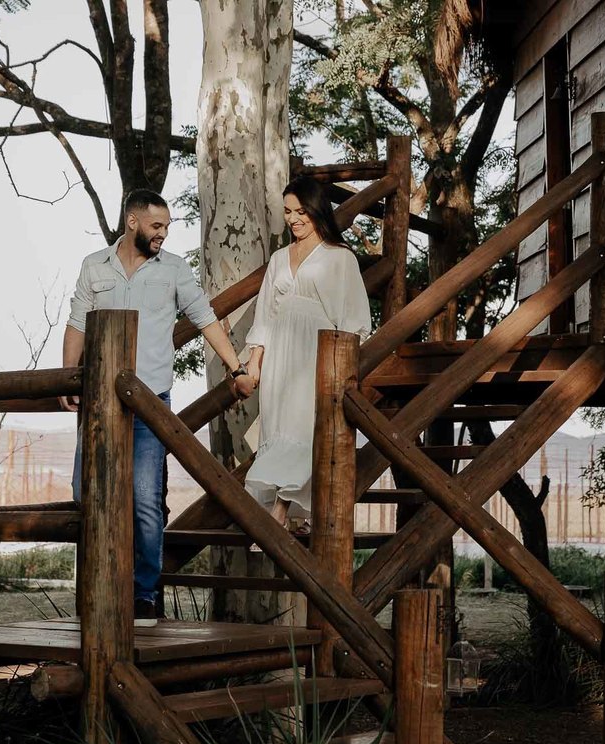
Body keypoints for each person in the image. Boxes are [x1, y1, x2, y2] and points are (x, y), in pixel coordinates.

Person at [61, 189, 254, 626]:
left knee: (146, 499)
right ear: (132, 222)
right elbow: (76, 322)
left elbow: (205, 317)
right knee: (84, 491)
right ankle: (100, 585)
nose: (163, 234)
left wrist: (238, 366)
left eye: (167, 227)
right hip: (99, 402)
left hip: (151, 405)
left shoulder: (173, 271)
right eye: (156, 226)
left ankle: (143, 595)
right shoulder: (94, 266)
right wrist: (68, 376)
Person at [243, 177, 372, 527]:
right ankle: (295, 515)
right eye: (288, 212)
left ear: (317, 211)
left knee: (305, 428)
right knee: (280, 428)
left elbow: (355, 317)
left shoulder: (339, 258)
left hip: (318, 351)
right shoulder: (279, 259)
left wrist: (340, 365)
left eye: (301, 211)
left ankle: (281, 512)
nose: (294, 219)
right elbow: (265, 315)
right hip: (280, 358)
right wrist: (254, 364)